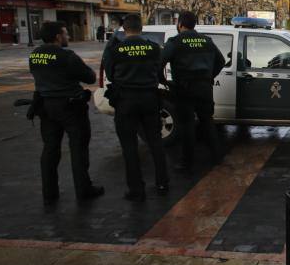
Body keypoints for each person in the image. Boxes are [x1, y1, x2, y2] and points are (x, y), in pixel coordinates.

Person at [29, 21, 104, 205]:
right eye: (65, 33)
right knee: (78, 148)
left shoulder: (35, 55)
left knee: (50, 149)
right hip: (70, 107)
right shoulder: (66, 56)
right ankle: (83, 189)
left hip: (46, 106)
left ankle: (49, 192)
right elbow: (89, 77)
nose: (68, 36)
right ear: (57, 37)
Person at [103, 14, 168, 202]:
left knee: (129, 146)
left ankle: (136, 189)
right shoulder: (154, 48)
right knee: (155, 141)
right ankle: (162, 183)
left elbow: (110, 74)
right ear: (141, 28)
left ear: (124, 29)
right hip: (149, 98)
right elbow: (159, 72)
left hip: (126, 100)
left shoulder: (115, 49)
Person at [161, 11, 225, 171]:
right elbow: (221, 61)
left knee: (187, 125)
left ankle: (187, 163)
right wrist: (209, 76)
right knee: (207, 122)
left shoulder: (175, 42)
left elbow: (160, 62)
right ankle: (217, 157)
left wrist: (163, 81)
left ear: (180, 24)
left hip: (184, 89)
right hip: (204, 88)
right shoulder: (207, 41)